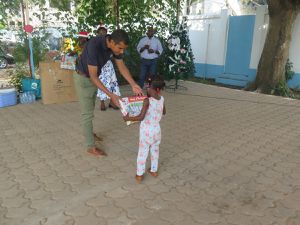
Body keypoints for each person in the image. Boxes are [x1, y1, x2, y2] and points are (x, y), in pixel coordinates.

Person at [74, 29, 143, 157]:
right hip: (84, 79)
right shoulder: (94, 45)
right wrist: (111, 95)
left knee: (90, 110)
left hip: (94, 78)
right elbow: (93, 77)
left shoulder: (113, 46)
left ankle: (89, 132)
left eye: (123, 49)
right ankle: (90, 146)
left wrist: (133, 84)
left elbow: (121, 66)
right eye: (120, 48)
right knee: (87, 114)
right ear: (111, 41)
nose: (121, 51)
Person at [123, 77, 166, 182]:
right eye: (147, 87)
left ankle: (139, 174)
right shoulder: (162, 99)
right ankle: (154, 170)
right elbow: (164, 112)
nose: (147, 90)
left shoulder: (147, 101)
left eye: (149, 88)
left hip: (146, 131)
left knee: (143, 152)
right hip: (157, 130)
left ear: (156, 90)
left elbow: (141, 117)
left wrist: (128, 118)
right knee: (155, 150)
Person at [95, 23, 120, 111]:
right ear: (97, 33)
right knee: (102, 83)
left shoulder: (110, 42)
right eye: (101, 33)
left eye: (104, 33)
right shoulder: (95, 43)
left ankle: (112, 102)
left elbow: (114, 54)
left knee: (112, 82)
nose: (103, 34)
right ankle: (102, 102)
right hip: (100, 66)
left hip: (109, 66)